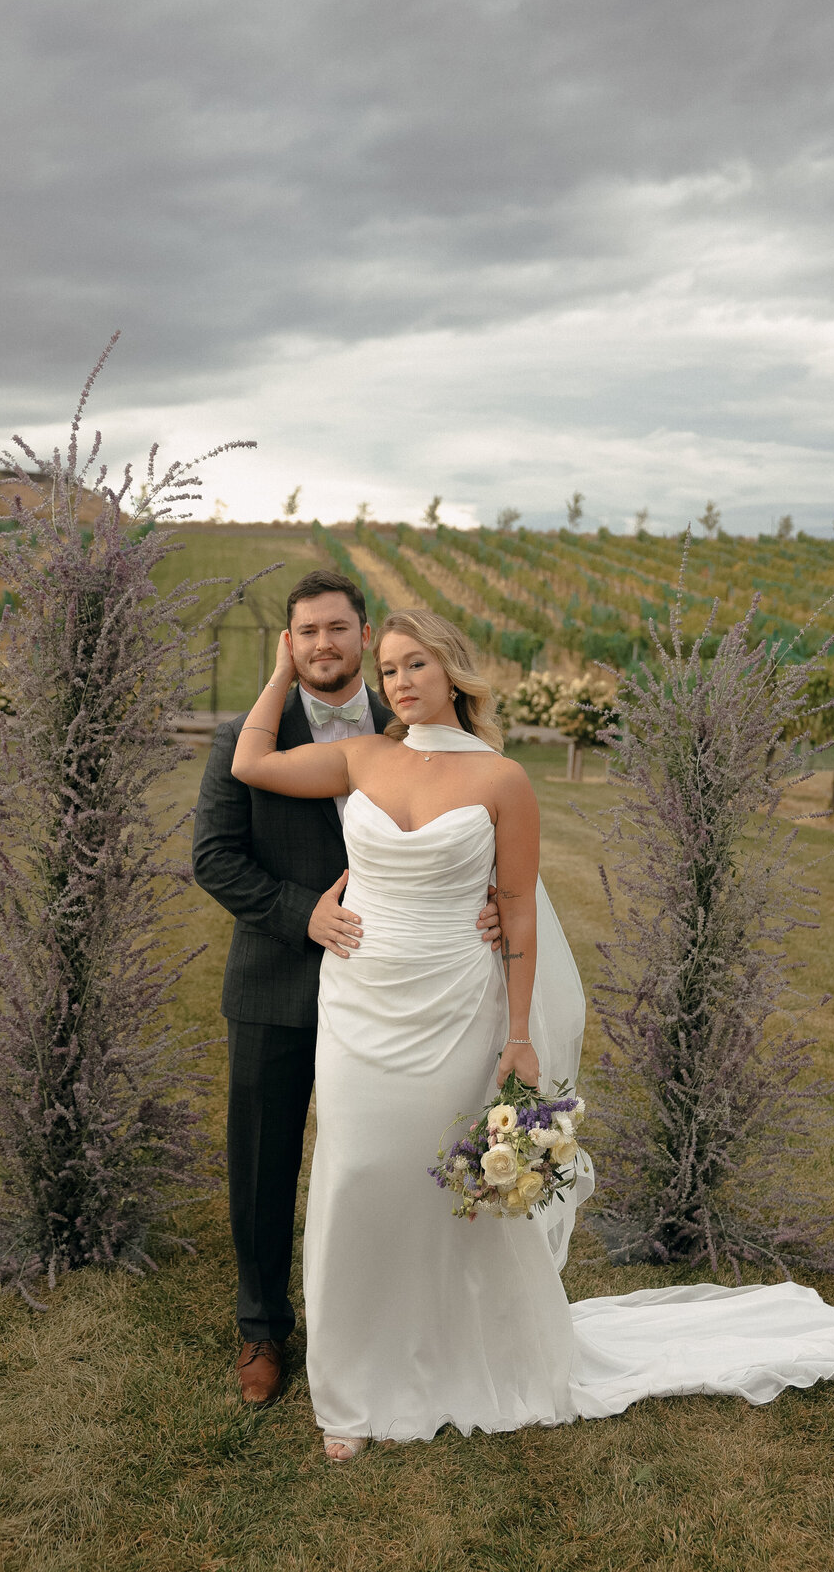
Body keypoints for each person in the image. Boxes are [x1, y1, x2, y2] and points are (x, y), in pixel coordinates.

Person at [231, 606, 834, 1462]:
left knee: (448, 1197)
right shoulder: (362, 756)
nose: (400, 682)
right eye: (387, 670)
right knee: (354, 1178)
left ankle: (462, 1352)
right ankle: (349, 1390)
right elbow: (251, 761)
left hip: (458, 1001)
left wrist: (520, 1033)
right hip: (362, 1004)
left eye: (415, 663)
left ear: (452, 671)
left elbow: (518, 918)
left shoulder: (503, 781)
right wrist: (281, 667)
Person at [192, 572, 500, 1407]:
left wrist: (492, 909)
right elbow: (214, 859)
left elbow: (476, 838)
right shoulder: (241, 739)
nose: (323, 643)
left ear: (365, 637)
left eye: (337, 628)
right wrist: (305, 916)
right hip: (276, 984)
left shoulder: (413, 733)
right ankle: (262, 1330)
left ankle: (388, 1325)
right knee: (263, 1165)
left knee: (384, 1164)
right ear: (287, 646)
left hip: (399, 997)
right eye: (305, 632)